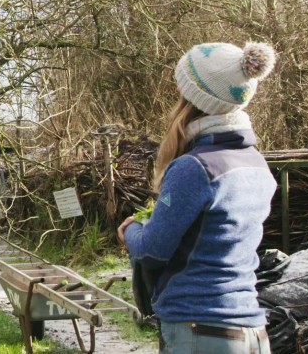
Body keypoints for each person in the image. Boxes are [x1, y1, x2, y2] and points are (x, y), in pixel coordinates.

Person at [118, 42, 276, 354]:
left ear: (191, 99)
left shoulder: (195, 167)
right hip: (252, 334)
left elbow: (152, 250)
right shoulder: (256, 164)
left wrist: (132, 230)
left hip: (200, 331)